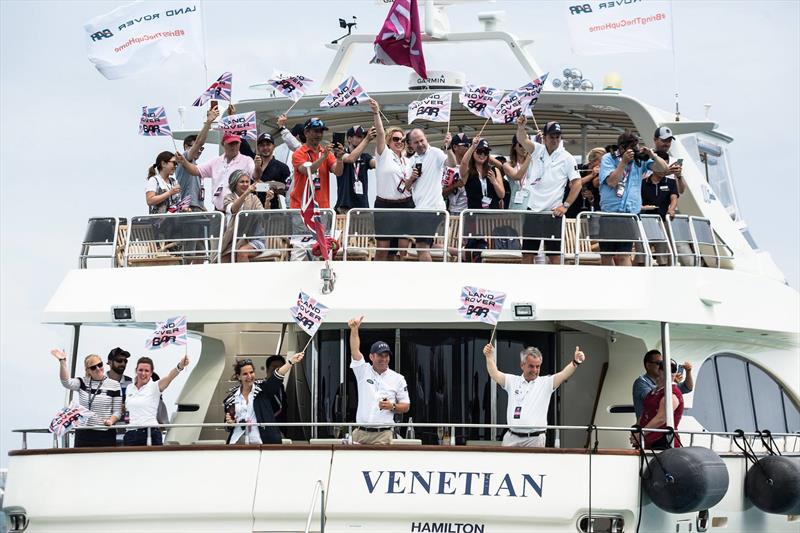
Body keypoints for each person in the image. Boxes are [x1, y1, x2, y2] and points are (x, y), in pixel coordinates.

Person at [483, 344, 587, 447]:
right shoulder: (512, 380)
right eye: (531, 366)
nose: (535, 370)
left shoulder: (546, 382)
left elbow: (564, 374)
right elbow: (494, 374)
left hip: (535, 439)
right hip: (511, 437)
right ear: (522, 365)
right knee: (504, 464)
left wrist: (576, 362)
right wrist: (489, 357)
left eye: (538, 366)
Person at [514, 117, 582, 264]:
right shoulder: (537, 149)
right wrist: (521, 127)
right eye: (551, 136)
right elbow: (522, 139)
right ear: (544, 137)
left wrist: (565, 206)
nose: (555, 140)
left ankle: (557, 286)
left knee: (554, 255)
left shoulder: (567, 158)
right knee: (527, 254)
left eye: (558, 137)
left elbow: (577, 184)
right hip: (532, 210)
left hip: (553, 213)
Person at [599, 130, 669, 266]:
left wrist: (652, 155)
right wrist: (623, 162)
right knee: (607, 255)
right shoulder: (608, 158)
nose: (633, 151)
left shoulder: (640, 160)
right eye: (630, 148)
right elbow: (612, 182)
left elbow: (664, 169)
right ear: (621, 147)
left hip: (629, 214)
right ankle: (608, 284)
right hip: (609, 213)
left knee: (624, 255)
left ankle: (627, 285)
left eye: (635, 147)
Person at [347, 316, 410, 444]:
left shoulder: (398, 378)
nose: (384, 359)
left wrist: (392, 406)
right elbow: (355, 351)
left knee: (380, 465)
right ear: (371, 356)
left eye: (386, 356)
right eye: (380, 355)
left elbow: (406, 406)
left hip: (384, 434)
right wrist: (354, 329)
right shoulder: (363, 371)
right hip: (360, 433)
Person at [223, 353, 304, 444]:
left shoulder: (263, 390)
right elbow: (228, 426)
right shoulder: (231, 398)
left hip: (261, 441)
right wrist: (229, 422)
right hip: (237, 442)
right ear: (239, 377)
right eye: (245, 374)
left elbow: (278, 375)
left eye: (251, 372)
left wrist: (291, 362)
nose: (249, 376)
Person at [370, 99, 414, 261]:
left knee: (403, 250)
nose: (399, 142)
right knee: (382, 249)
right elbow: (380, 133)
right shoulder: (384, 155)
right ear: (389, 141)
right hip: (385, 204)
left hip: (405, 204)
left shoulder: (408, 160)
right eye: (395, 139)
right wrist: (376, 112)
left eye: (402, 140)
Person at [52, 349, 121, 447]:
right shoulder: (82, 382)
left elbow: (117, 411)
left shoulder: (114, 385)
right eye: (93, 367)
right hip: (83, 433)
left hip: (105, 433)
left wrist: (111, 421)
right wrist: (62, 361)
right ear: (88, 370)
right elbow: (66, 382)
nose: (98, 368)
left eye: (100, 365)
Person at [178, 131, 255, 212]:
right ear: (223, 144)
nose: (234, 146)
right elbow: (196, 170)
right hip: (219, 211)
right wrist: (184, 162)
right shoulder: (215, 161)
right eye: (231, 143)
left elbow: (255, 176)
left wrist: (258, 167)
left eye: (236, 143)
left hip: (240, 210)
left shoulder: (247, 160)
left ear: (240, 144)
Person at [407, 127, 453, 261]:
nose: (420, 144)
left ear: (426, 138)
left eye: (422, 140)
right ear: (410, 144)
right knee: (425, 246)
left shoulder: (435, 153)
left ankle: (428, 278)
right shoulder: (411, 160)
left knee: (421, 247)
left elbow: (452, 163)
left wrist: (449, 148)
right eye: (416, 142)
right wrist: (412, 178)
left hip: (432, 208)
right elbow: (407, 187)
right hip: (420, 209)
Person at [123, 355, 189, 446]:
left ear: (151, 373)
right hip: (130, 434)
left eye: (146, 371)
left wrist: (180, 366)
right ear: (136, 371)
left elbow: (170, 377)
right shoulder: (129, 388)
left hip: (149, 433)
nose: (143, 373)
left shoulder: (155, 386)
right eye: (140, 370)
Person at [219, 169, 273, 262]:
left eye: (247, 182)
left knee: (242, 252)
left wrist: (267, 201)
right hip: (232, 241)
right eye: (242, 182)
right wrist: (246, 193)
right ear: (234, 183)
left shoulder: (254, 198)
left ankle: (245, 276)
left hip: (254, 239)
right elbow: (233, 209)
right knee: (223, 260)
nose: (245, 184)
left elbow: (264, 218)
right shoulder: (228, 198)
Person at [290, 117, 344, 209]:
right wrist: (323, 157)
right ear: (306, 133)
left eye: (321, 132)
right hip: (301, 207)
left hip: (322, 207)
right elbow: (307, 171)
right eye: (315, 131)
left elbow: (338, 172)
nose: (319, 134)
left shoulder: (326, 152)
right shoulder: (298, 153)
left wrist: (339, 159)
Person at [175, 106, 220, 212]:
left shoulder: (195, 166)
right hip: (188, 209)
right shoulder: (185, 158)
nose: (200, 150)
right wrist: (208, 123)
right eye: (196, 147)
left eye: (202, 149)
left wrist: (205, 211)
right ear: (186, 146)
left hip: (196, 208)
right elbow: (199, 141)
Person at [636, 358, 684, 449]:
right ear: (659, 370)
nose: (670, 373)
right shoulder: (654, 391)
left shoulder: (671, 393)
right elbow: (646, 412)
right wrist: (636, 430)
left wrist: (640, 434)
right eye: (665, 369)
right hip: (648, 442)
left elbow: (661, 419)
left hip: (663, 442)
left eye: (673, 370)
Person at [632, 349, 693, 420]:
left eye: (663, 363)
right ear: (648, 365)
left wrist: (688, 372)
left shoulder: (666, 382)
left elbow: (688, 387)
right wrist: (671, 383)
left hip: (662, 427)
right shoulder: (640, 382)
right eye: (659, 363)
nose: (662, 366)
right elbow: (654, 400)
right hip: (647, 427)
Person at [335, 125, 377, 213]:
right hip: (345, 206)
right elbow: (351, 159)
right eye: (358, 136)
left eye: (362, 137)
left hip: (362, 206)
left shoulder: (365, 157)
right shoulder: (341, 153)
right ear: (349, 139)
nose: (361, 139)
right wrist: (367, 139)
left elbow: (377, 164)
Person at [459, 137, 506, 210]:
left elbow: (502, 195)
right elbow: (464, 163)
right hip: (474, 214)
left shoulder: (494, 170)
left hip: (493, 213)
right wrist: (472, 147)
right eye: (479, 151)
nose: (482, 155)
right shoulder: (468, 171)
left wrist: (494, 182)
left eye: (486, 152)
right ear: (473, 152)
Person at [253, 132, 291, 209]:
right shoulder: (251, 165)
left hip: (274, 210)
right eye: (262, 145)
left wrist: (270, 187)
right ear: (258, 148)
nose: (265, 147)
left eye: (268, 144)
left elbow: (287, 190)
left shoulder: (282, 167)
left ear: (274, 146)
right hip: (254, 210)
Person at [564, 147, 604, 218]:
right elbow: (571, 184)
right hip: (571, 208)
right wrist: (591, 175)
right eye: (601, 161)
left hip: (587, 212)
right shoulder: (579, 168)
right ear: (592, 161)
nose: (604, 164)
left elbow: (597, 197)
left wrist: (591, 198)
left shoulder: (601, 175)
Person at [641, 149, 679, 220]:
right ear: (653, 165)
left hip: (664, 221)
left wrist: (671, 209)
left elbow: (674, 198)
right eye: (661, 166)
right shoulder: (643, 183)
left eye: (665, 166)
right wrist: (642, 207)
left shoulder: (671, 182)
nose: (664, 169)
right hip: (645, 220)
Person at [442, 132, 470, 215]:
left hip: (472, 210)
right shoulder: (448, 167)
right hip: (455, 211)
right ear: (455, 147)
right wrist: (455, 185)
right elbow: (442, 193)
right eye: (465, 145)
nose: (468, 147)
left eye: (468, 145)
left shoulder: (473, 165)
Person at [652, 126, 686, 194]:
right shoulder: (646, 157)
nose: (667, 144)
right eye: (664, 140)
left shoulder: (675, 161)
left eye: (669, 141)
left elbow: (681, 191)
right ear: (655, 139)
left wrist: (678, 176)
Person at [502, 134, 531, 210]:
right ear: (514, 146)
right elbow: (517, 176)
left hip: (532, 206)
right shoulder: (507, 165)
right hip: (516, 206)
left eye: (527, 145)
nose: (525, 148)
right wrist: (530, 156)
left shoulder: (534, 163)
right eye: (521, 145)